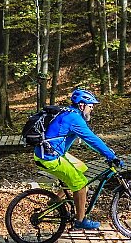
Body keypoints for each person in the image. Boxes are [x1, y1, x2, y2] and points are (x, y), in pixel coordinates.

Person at [34, 88, 122, 230]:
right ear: (82, 105)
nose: (91, 110)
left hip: (47, 151)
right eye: (90, 106)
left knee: (81, 167)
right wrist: (110, 156)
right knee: (81, 185)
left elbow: (87, 140)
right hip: (50, 157)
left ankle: (56, 200)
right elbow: (91, 139)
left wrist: (106, 152)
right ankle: (80, 220)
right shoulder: (75, 119)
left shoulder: (68, 112)